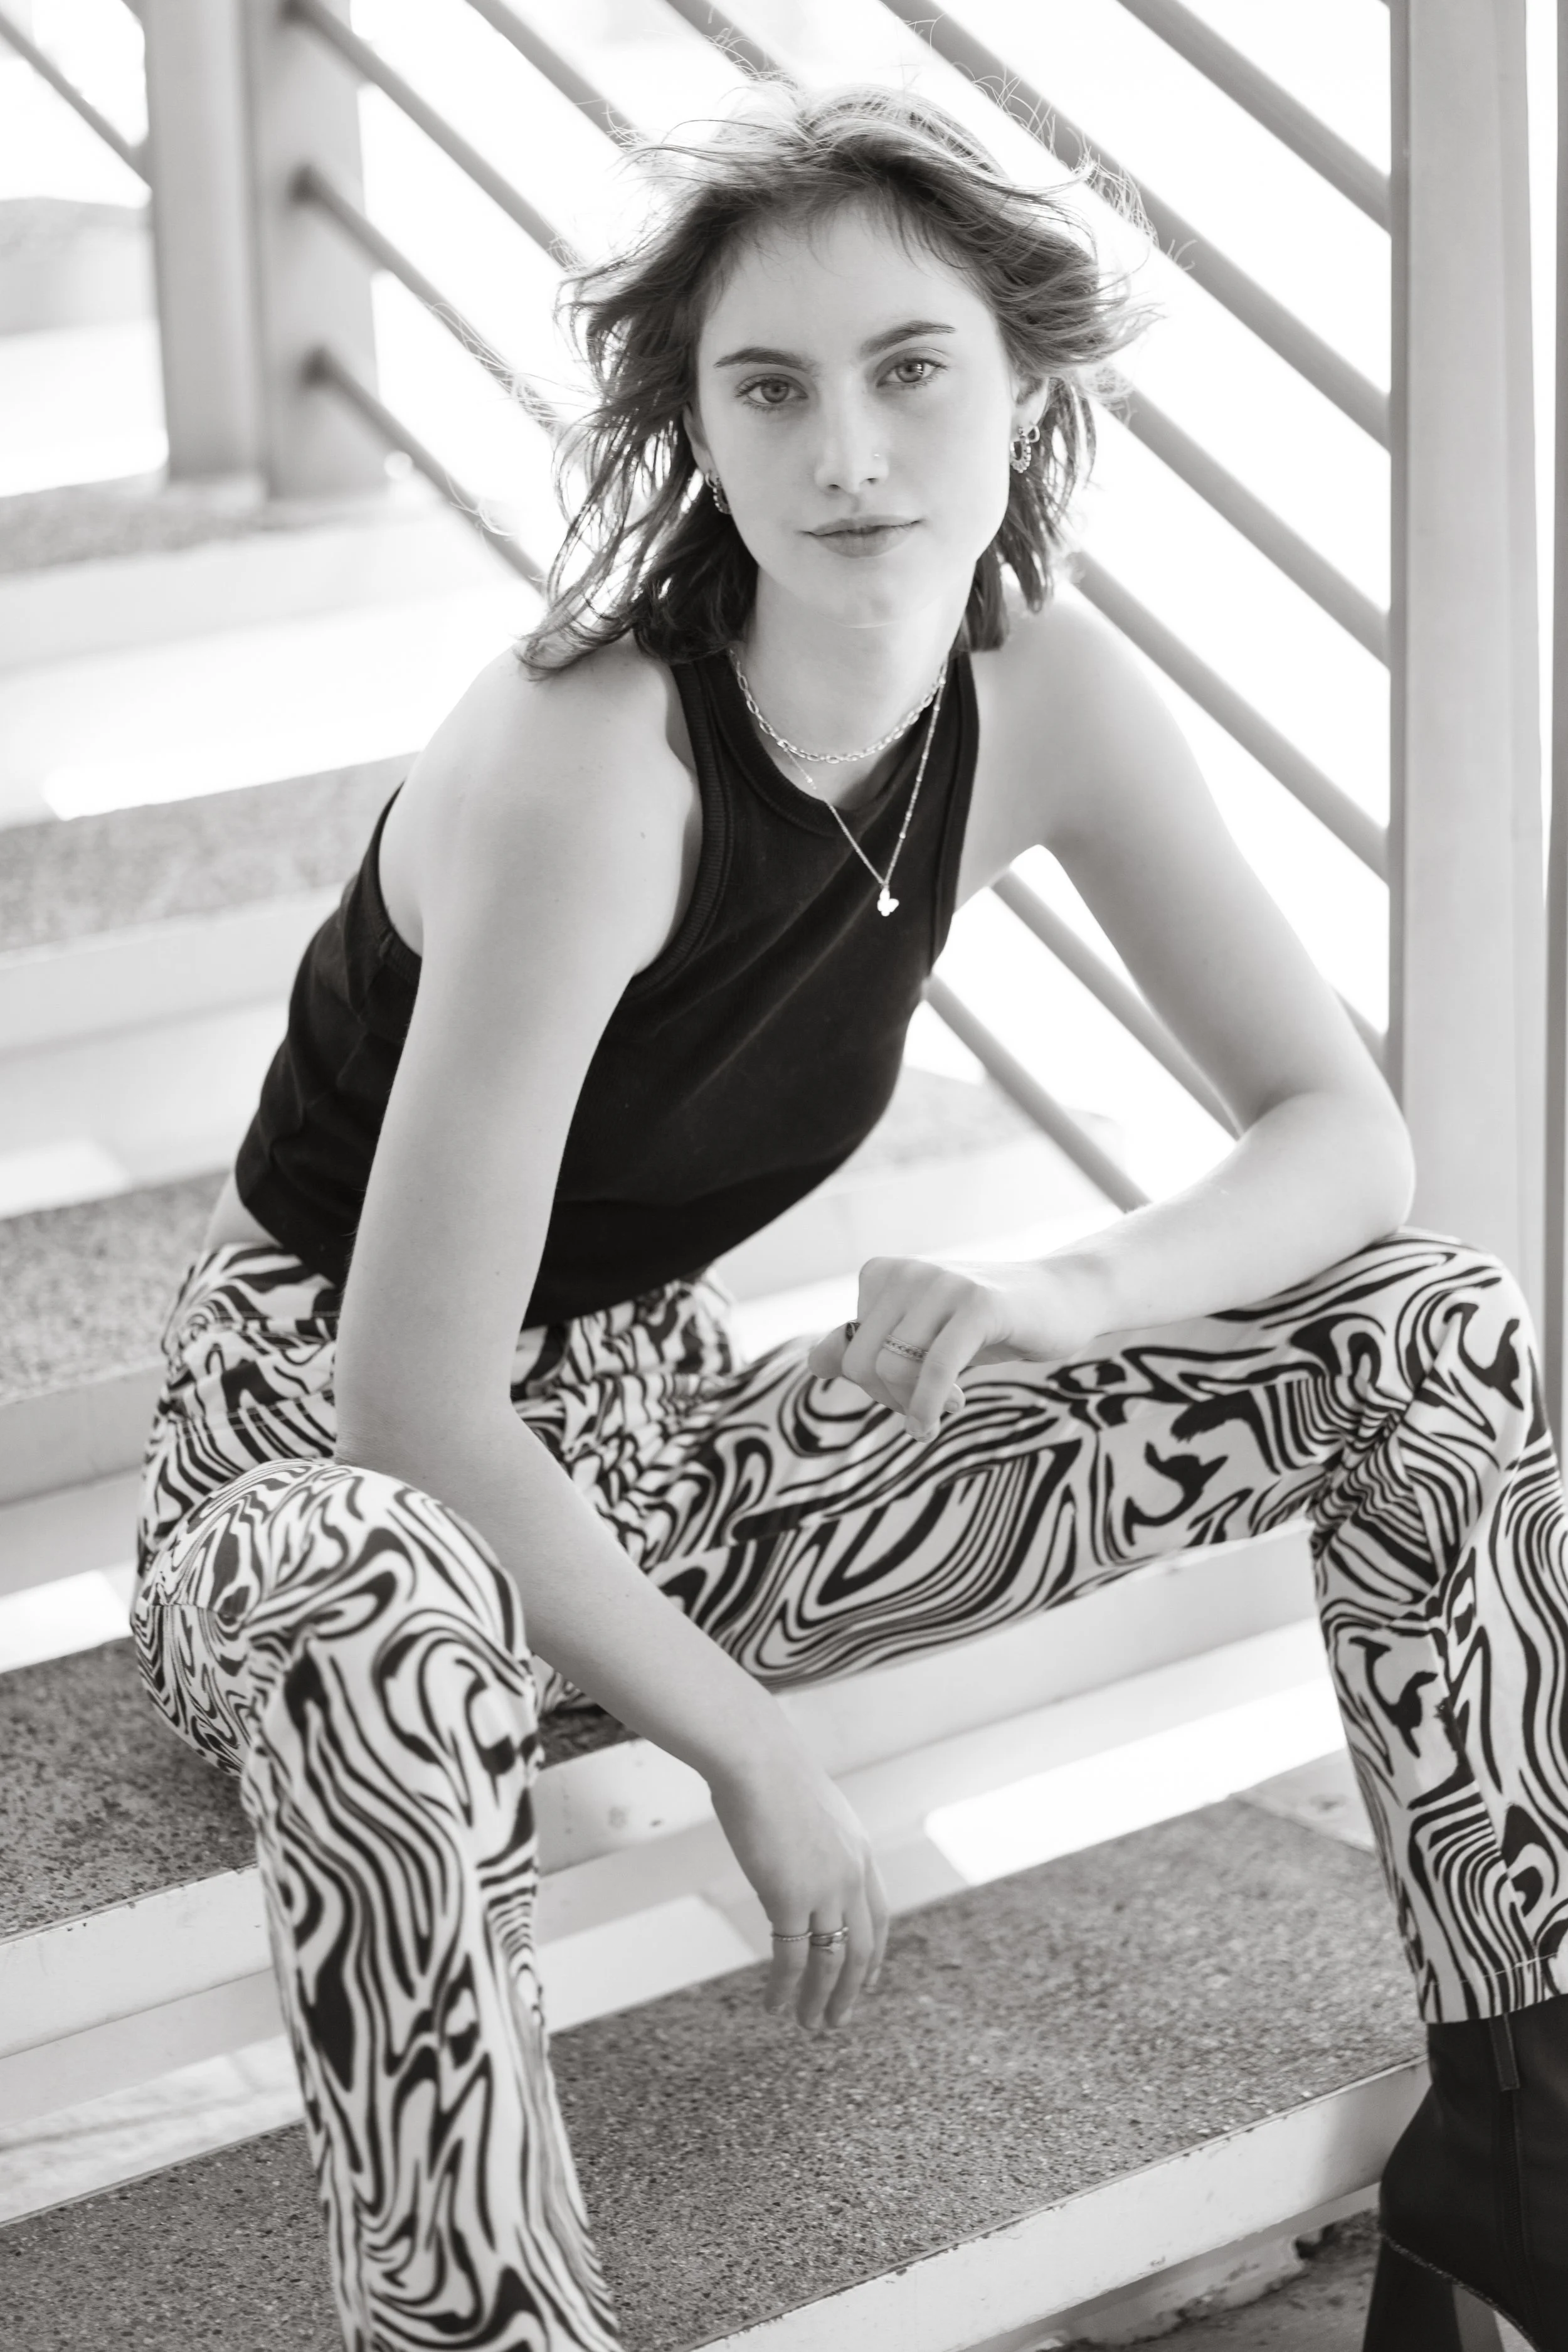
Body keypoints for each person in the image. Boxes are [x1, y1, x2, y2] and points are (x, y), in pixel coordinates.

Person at [132, 82, 1567, 2352]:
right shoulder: (592, 758)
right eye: (769, 389)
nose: (849, 453)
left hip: (669, 1447)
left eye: (911, 369)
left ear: (1022, 381)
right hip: (323, 1475)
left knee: (1427, 1322)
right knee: (389, 1589)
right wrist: (749, 1747)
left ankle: (1519, 2123)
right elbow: (411, 1398)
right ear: (696, 426)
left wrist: (1047, 1283)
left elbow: (1337, 1135)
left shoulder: (1049, 693)